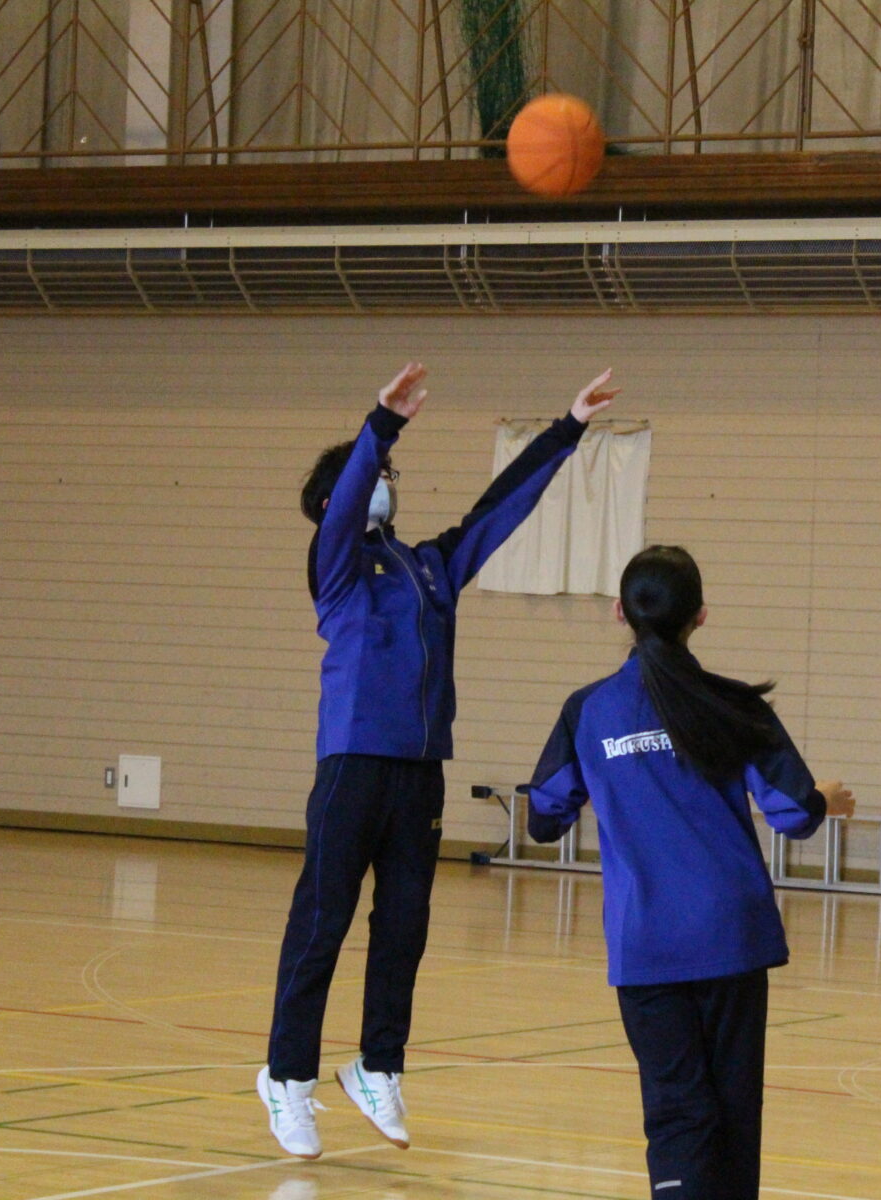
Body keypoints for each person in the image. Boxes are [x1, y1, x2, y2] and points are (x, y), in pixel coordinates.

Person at [258, 362, 620, 1159]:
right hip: (353, 765)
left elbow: (499, 512)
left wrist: (566, 429)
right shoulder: (336, 565)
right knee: (323, 924)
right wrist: (380, 426)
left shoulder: (429, 566)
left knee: (406, 927)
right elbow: (348, 498)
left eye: (389, 476)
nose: (386, 485)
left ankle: (376, 1063)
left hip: (420, 771)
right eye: (377, 477)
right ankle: (287, 1078)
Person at [526, 544, 855, 1199]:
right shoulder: (734, 705)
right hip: (731, 936)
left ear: (620, 612)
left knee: (678, 1111)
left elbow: (542, 815)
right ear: (701, 615)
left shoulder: (587, 711)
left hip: (647, 943)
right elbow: (790, 812)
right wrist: (825, 798)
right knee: (733, 1113)